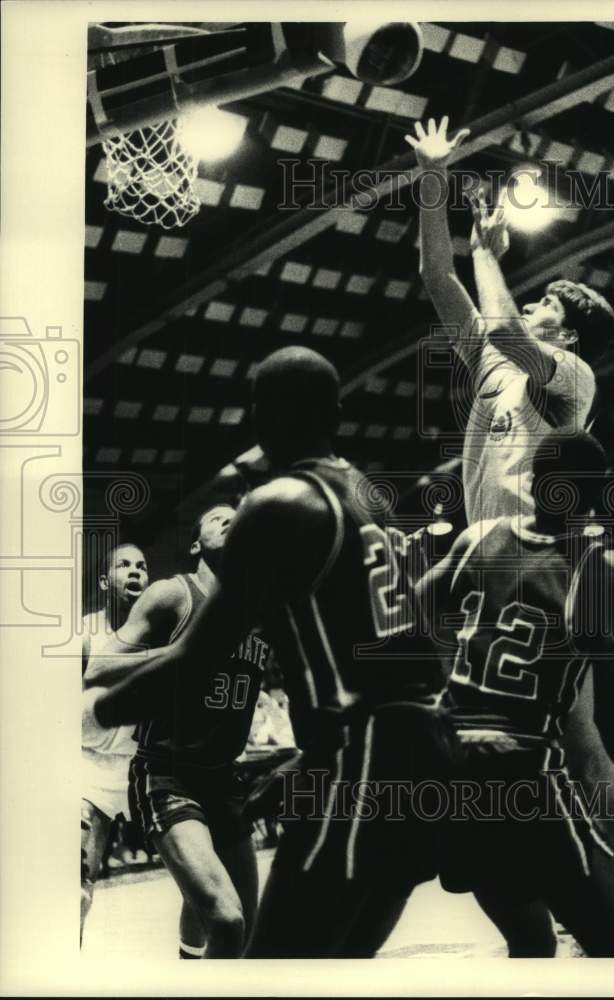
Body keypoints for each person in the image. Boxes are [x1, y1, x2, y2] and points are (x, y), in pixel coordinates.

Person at [408, 115, 614, 954]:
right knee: (512, 744)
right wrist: (434, 182)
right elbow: (433, 277)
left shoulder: (568, 374)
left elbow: (501, 325)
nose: (529, 304)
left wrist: (491, 252)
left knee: (584, 742)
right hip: (489, 554)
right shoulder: (498, 359)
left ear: (562, 326)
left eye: (543, 303)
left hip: (548, 552)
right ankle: (539, 902)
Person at [83, 346, 458, 958]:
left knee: (270, 966)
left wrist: (97, 709)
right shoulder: (369, 495)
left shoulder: (282, 502)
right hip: (429, 755)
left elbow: (193, 662)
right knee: (332, 965)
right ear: (337, 412)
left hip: (360, 759)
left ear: (259, 415)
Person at [419, 430, 614, 956]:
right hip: (524, 774)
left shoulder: (475, 537)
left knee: (530, 944)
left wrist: (449, 679)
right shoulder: (605, 578)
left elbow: (404, 617)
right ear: (600, 491)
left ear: (532, 481)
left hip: (453, 775)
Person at [84, 503, 268, 959]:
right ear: (194, 543)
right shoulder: (174, 594)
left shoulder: (261, 610)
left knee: (243, 926)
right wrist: (183, 654)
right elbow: (100, 667)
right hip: (169, 773)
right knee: (227, 919)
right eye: (215, 518)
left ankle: (188, 969)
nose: (230, 520)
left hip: (226, 779)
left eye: (238, 516)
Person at [81, 542, 149, 944]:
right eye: (124, 565)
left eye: (142, 565)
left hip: (145, 768)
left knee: (202, 884)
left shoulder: (167, 631)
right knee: (74, 887)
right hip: (89, 767)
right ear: (106, 581)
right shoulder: (85, 635)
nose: (135, 571)